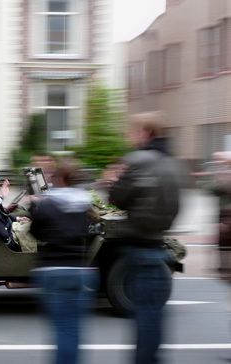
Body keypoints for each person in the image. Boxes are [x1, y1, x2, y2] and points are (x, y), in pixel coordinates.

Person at [108, 111, 182, 364]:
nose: (132, 136)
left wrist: (116, 180)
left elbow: (117, 198)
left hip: (138, 245)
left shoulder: (139, 160)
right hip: (158, 243)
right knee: (154, 313)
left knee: (145, 315)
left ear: (146, 133)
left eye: (134, 131)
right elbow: (177, 204)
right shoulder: (173, 163)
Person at [28, 162, 99, 364]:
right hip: (79, 270)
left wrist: (35, 207)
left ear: (61, 180)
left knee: (62, 329)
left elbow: (35, 232)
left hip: (53, 270)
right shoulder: (83, 205)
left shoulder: (49, 204)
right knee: (74, 329)